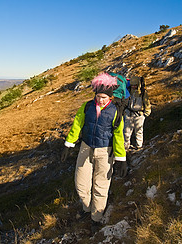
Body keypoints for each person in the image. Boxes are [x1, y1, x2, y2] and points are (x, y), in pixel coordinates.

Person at [61, 73, 127, 234]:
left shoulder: (115, 112)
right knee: (81, 184)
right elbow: (77, 125)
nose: (101, 100)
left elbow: (118, 136)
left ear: (110, 97)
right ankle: (87, 207)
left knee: (101, 186)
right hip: (85, 148)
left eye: (104, 97)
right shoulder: (87, 107)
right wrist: (68, 145)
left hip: (105, 152)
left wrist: (121, 159)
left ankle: (95, 219)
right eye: (99, 96)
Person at [124, 75, 151, 151]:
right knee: (126, 131)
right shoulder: (128, 91)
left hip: (139, 115)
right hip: (129, 113)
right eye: (132, 85)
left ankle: (139, 146)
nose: (133, 87)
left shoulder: (143, 93)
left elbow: (147, 103)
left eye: (135, 85)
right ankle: (126, 147)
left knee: (138, 131)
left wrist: (146, 113)